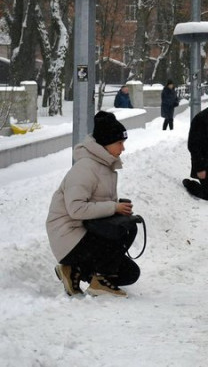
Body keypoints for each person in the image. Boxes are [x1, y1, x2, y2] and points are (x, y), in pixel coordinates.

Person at [47, 111, 140, 297]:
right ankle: (98, 280)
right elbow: (76, 209)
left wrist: (117, 208)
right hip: (69, 236)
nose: (123, 148)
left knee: (129, 273)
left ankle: (73, 270)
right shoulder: (85, 168)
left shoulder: (105, 166)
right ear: (106, 144)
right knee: (123, 229)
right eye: (119, 143)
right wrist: (113, 208)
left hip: (86, 232)